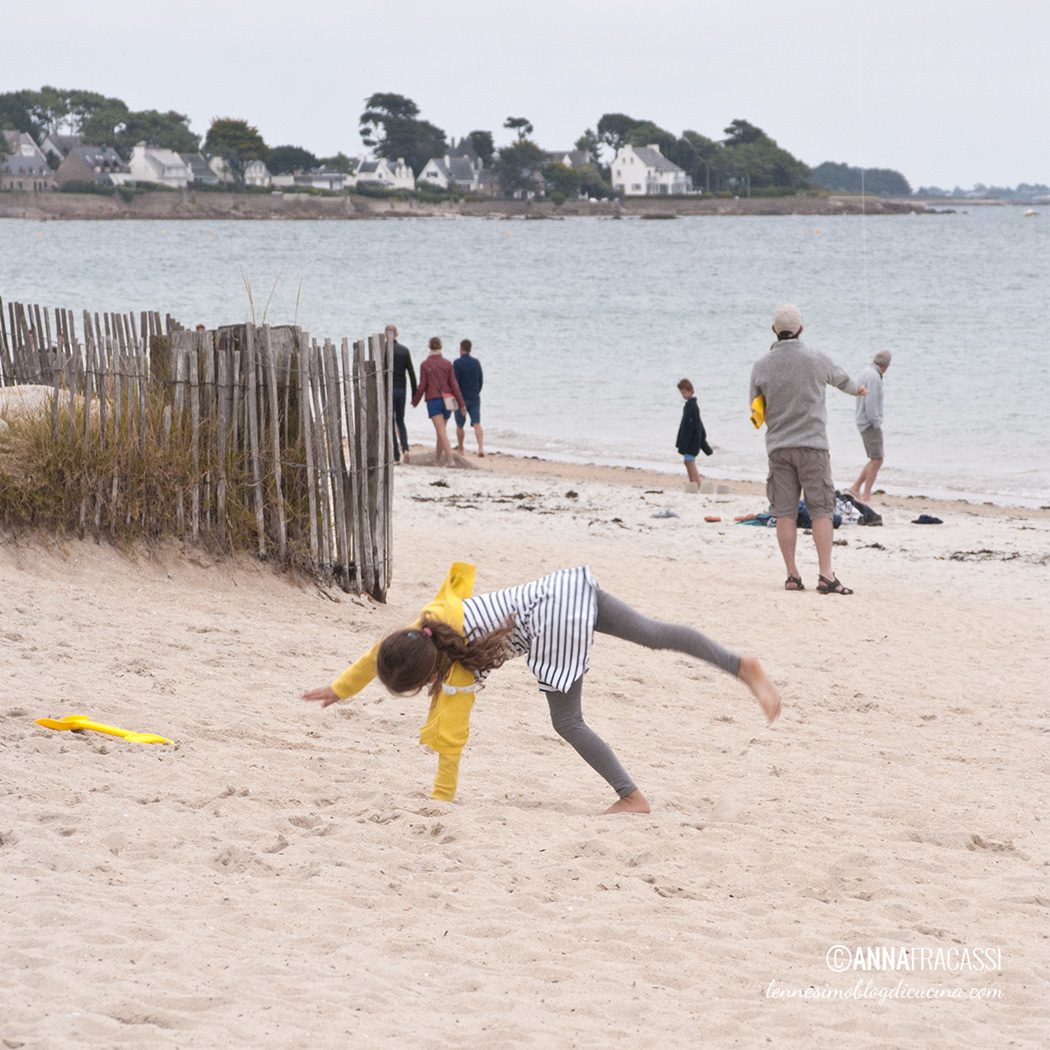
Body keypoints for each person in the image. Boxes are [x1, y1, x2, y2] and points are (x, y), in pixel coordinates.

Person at [302, 562, 782, 813]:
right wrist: (341, 689)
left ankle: (631, 796)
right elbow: (376, 654)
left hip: (552, 623)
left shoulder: (458, 670)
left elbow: (452, 736)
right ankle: (740, 665)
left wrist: (441, 797)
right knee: (654, 635)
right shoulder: (428, 625)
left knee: (567, 720)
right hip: (561, 591)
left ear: (431, 675)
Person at [749, 304, 867, 595]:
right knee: (821, 511)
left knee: (785, 512)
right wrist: (860, 390)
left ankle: (792, 575)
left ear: (774, 331)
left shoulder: (761, 365)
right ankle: (826, 575)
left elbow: (755, 407)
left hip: (778, 447)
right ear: (801, 329)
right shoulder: (816, 358)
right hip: (813, 446)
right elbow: (843, 381)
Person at [412, 337, 465, 466]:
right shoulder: (447, 363)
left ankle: (450, 459)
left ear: (429, 347)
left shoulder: (425, 364)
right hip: (447, 400)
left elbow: (423, 385)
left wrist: (415, 400)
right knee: (441, 431)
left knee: (441, 430)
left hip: (434, 400)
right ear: (440, 347)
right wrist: (462, 404)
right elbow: (454, 385)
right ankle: (437, 460)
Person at [849, 350, 892, 503]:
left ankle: (855, 487)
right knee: (877, 459)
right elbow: (871, 402)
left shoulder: (866, 371)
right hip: (869, 422)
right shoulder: (874, 377)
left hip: (862, 419)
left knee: (875, 458)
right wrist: (876, 422)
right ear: (886, 366)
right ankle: (866, 494)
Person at [386, 324, 417, 464]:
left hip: (388, 390)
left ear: (386, 334)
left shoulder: (383, 350)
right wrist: (415, 394)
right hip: (402, 390)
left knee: (390, 422)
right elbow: (411, 373)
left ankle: (396, 455)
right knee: (400, 420)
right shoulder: (404, 350)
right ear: (397, 334)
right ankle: (406, 449)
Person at [675, 378, 710, 488]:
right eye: (681, 393)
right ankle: (692, 484)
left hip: (692, 441)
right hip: (687, 441)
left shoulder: (693, 406)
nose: (683, 395)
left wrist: (700, 441)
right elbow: (685, 426)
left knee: (690, 462)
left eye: (684, 392)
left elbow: (696, 426)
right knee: (687, 462)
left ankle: (698, 484)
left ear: (691, 391)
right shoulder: (688, 405)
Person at [452, 339, 485, 457]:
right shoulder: (476, 362)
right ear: (470, 349)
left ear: (461, 348)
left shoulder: (457, 363)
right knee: (477, 423)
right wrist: (476, 391)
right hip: (474, 397)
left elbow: (454, 382)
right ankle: (481, 448)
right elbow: (480, 380)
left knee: (460, 425)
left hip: (461, 398)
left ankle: (461, 448)